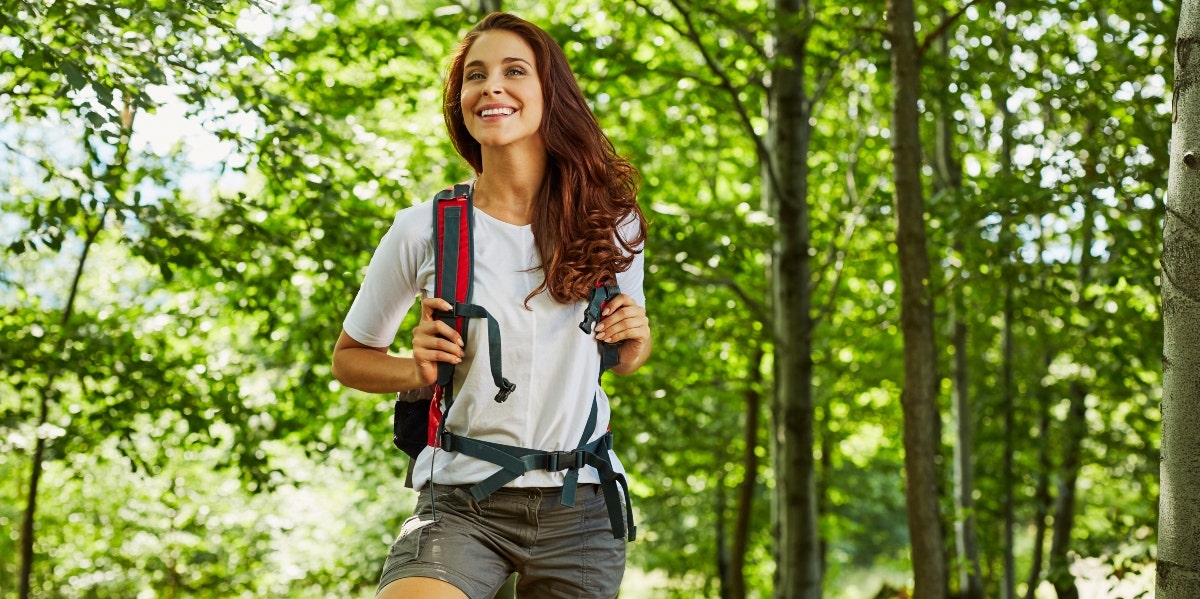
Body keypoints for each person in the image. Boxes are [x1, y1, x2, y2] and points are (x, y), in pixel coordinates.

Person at [331, 11, 651, 599]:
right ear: (461, 103)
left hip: (579, 504)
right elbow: (350, 358)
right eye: (475, 76)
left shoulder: (610, 223)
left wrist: (637, 343)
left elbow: (622, 357)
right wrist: (414, 370)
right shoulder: (423, 229)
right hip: (461, 502)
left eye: (513, 71)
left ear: (549, 94)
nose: (491, 87)